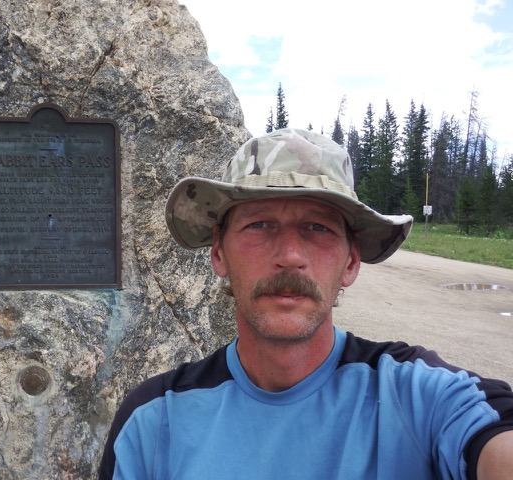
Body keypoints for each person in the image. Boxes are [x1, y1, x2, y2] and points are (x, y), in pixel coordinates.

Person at [98, 128, 513, 479]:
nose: (290, 254)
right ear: (219, 254)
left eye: (318, 227)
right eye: (259, 224)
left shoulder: (418, 397)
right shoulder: (153, 421)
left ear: (351, 262)